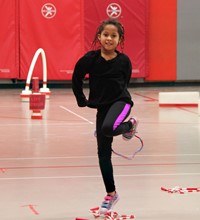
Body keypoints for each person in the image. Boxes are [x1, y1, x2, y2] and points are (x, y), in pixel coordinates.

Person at [72, 19, 138, 214]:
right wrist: (81, 99)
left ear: (119, 39)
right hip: (102, 108)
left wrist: (119, 109)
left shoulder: (124, 61)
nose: (109, 38)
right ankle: (111, 193)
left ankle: (130, 125)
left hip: (121, 103)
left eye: (114, 35)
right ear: (99, 37)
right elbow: (76, 77)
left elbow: (124, 82)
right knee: (103, 153)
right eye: (106, 35)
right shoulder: (90, 59)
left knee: (108, 128)